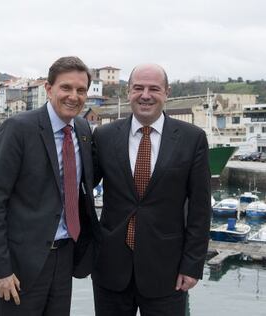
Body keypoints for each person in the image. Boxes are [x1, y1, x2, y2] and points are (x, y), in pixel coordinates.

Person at [0, 56, 100, 315]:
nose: (74, 96)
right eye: (66, 88)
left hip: (64, 257)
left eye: (81, 90)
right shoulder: (18, 129)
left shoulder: (82, 129)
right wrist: (0, 270)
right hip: (19, 265)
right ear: (48, 88)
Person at [92, 63, 211, 316]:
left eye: (154, 89)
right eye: (138, 88)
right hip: (110, 269)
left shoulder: (192, 139)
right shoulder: (104, 136)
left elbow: (200, 209)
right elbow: (82, 189)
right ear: (128, 92)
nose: (145, 95)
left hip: (167, 272)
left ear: (167, 92)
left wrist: (192, 265)